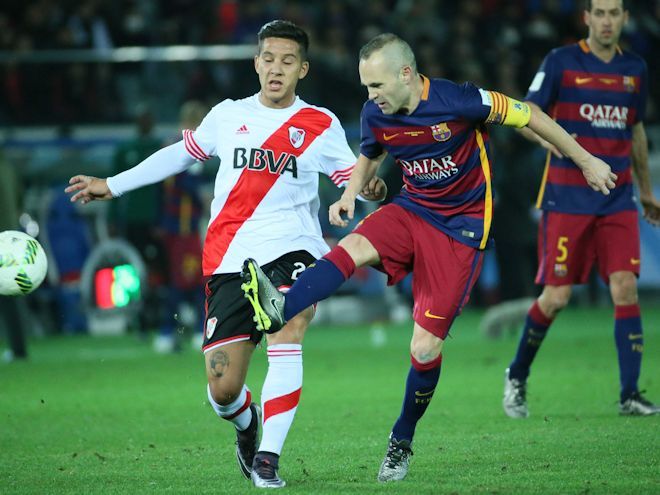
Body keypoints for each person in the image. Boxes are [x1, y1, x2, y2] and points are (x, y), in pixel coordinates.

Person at [240, 33, 616, 483]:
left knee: (423, 348)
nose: (370, 96)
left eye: (376, 85)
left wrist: (586, 160)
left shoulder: (459, 100)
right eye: (365, 87)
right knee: (353, 244)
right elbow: (370, 154)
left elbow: (530, 114)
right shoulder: (374, 112)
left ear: (406, 74)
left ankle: (401, 438)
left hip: (462, 228)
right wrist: (349, 194)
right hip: (412, 208)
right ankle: (284, 304)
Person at [65, 20, 385, 489]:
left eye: (288, 61)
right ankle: (246, 424)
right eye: (269, 59)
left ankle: (268, 460)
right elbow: (177, 155)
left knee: (289, 322)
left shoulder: (319, 123)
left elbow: (350, 181)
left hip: (293, 249)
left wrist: (370, 188)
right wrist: (111, 186)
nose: (277, 69)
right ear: (257, 63)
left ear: (303, 69)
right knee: (224, 391)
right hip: (229, 258)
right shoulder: (226, 114)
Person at [502, 0, 660, 419]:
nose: (607, 21)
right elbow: (528, 112)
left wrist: (645, 191)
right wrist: (547, 141)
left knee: (624, 287)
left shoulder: (635, 70)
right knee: (556, 298)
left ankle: (630, 393)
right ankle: (516, 374)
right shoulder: (561, 62)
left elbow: (637, 130)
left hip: (617, 197)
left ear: (625, 18)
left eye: (615, 13)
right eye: (600, 13)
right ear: (587, 18)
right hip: (567, 197)